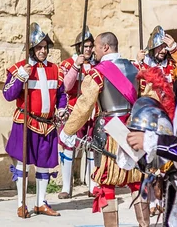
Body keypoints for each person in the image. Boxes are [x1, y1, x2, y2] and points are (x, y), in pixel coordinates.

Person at [60, 32, 146, 227]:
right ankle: (145, 224)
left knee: (107, 182)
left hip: (109, 132)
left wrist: (68, 131)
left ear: (105, 47)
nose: (94, 51)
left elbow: (84, 106)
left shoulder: (97, 73)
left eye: (97, 47)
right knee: (136, 181)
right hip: (133, 131)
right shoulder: (135, 68)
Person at [3, 22, 66, 218]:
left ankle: (41, 202)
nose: (43, 50)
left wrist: (62, 108)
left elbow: (61, 93)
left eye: (45, 47)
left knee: (44, 164)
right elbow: (8, 94)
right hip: (27, 122)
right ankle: (22, 203)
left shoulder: (55, 69)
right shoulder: (19, 68)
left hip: (47, 124)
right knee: (23, 164)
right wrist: (21, 77)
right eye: (39, 47)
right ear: (31, 48)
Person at [134, 25, 177, 216]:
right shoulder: (143, 66)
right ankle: (151, 201)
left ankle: (161, 200)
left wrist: (175, 51)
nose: (162, 50)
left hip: (169, 118)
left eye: (164, 47)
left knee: (166, 162)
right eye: (159, 47)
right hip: (150, 118)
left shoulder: (173, 66)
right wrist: (137, 64)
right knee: (150, 161)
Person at [58, 28, 98, 199]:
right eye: (85, 46)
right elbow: (65, 87)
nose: (88, 49)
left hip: (92, 111)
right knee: (69, 146)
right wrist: (76, 67)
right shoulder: (68, 63)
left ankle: (92, 185)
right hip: (74, 110)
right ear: (78, 47)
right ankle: (66, 187)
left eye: (90, 46)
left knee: (91, 147)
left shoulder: (97, 65)